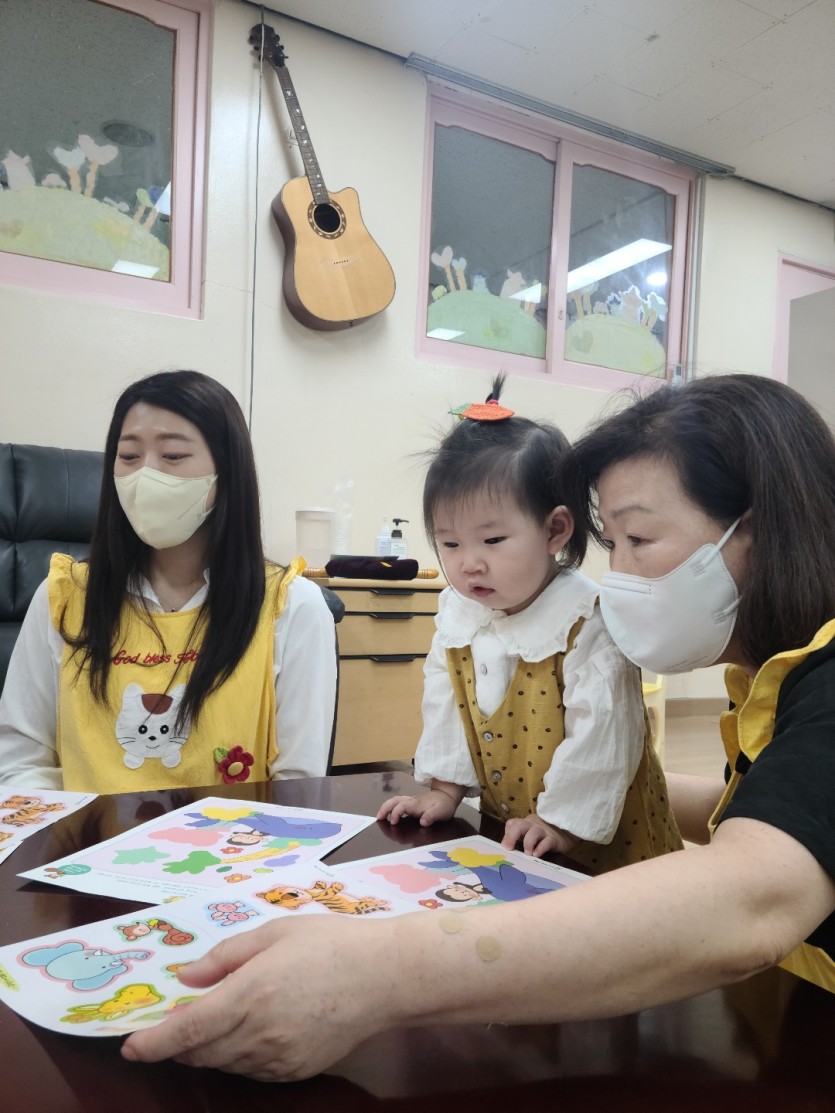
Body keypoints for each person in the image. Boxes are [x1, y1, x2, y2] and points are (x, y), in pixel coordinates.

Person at [123, 373, 834, 1082]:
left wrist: (376, 972)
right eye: (609, 541)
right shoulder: (774, 685)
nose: (616, 574)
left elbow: (751, 900)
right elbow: (780, 818)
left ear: (762, 526)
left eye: (638, 537)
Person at [377, 375, 681, 868]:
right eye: (450, 543)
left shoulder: (586, 623)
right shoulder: (460, 618)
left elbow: (604, 736)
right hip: (518, 841)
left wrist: (559, 822)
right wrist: (443, 792)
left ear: (555, 529)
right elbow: (447, 706)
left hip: (610, 849)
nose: (468, 562)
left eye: (492, 541)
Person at [0, 370, 337, 791]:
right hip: (82, 848)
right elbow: (20, 760)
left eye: (173, 457)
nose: (146, 475)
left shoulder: (293, 607)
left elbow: (298, 784)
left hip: (229, 850)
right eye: (128, 456)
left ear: (227, 471)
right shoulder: (64, 596)